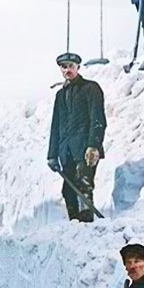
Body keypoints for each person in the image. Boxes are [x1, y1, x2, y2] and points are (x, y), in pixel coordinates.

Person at [46, 52, 106, 223]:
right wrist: (52, 155)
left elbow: (98, 119)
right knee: (68, 191)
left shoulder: (90, 88)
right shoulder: (60, 95)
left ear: (78, 67)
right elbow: (55, 126)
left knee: (84, 186)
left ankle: (87, 226)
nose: (67, 70)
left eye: (71, 66)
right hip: (66, 152)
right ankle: (75, 226)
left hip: (85, 150)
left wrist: (93, 145)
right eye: (64, 67)